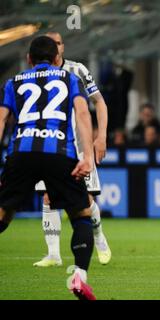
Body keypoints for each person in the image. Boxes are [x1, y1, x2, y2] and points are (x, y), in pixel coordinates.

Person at [0, 36, 96, 299]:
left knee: (4, 214)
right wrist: (87, 156)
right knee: (81, 214)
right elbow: (84, 113)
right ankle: (79, 276)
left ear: (28, 59)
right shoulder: (69, 78)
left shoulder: (13, 82)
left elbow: (1, 120)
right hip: (59, 153)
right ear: (57, 59)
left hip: (22, 152)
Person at [33, 32, 111, 267]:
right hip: (48, 146)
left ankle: (99, 238)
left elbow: (99, 102)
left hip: (78, 146)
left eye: (57, 43)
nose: (54, 47)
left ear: (63, 47)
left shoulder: (78, 70)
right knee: (48, 198)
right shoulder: (35, 76)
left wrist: (101, 136)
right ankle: (53, 255)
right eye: (50, 43)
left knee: (84, 201)